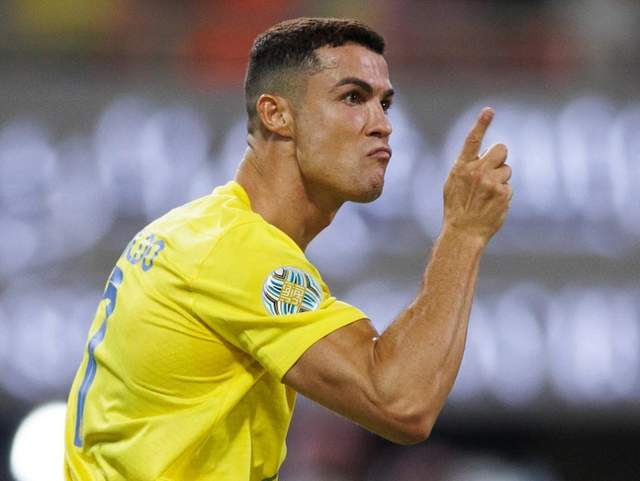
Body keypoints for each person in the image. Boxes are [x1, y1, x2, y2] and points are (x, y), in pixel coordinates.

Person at [64, 17, 511, 481]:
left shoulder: (197, 231)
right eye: (352, 97)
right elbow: (400, 401)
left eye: (385, 103)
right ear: (276, 114)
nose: (382, 125)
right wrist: (463, 232)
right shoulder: (235, 252)